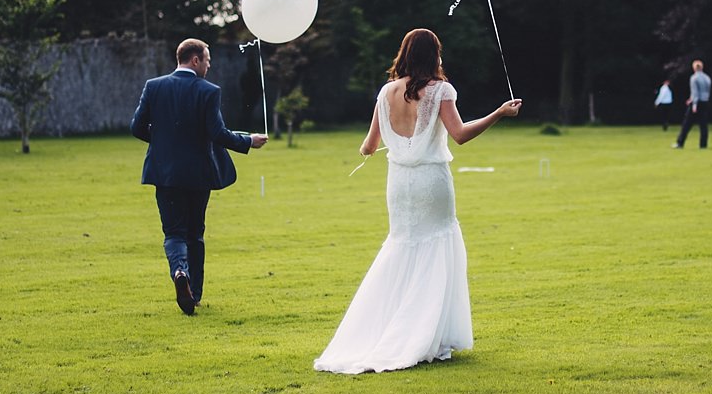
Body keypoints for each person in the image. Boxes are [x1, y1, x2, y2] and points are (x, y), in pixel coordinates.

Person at [315, 29, 522, 374]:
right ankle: (426, 337)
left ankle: (393, 330)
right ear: (433, 55)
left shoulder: (386, 92)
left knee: (403, 247)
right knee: (436, 247)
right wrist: (498, 113)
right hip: (431, 181)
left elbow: (367, 146)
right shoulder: (441, 90)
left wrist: (391, 143)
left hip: (399, 185)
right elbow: (459, 135)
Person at [131, 38, 268, 315]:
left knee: (173, 232)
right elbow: (217, 133)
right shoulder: (209, 91)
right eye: (207, 60)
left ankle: (179, 272)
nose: (208, 66)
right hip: (198, 174)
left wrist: (163, 145)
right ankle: (194, 293)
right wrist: (247, 141)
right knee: (195, 233)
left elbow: (136, 127)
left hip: (164, 173)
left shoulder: (153, 86)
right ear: (195, 60)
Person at [672, 60, 712, 149]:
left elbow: (695, 92)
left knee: (686, 124)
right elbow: (706, 91)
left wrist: (694, 104)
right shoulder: (707, 78)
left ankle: (680, 142)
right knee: (703, 125)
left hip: (697, 103)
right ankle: (703, 144)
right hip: (705, 102)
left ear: (694, 68)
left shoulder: (694, 78)